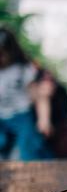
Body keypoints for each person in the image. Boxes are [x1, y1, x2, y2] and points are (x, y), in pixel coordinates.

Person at [0, 27, 52, 160]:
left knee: (28, 147)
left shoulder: (22, 69)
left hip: (21, 116)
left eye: (2, 54)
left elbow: (39, 96)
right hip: (1, 117)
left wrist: (43, 119)